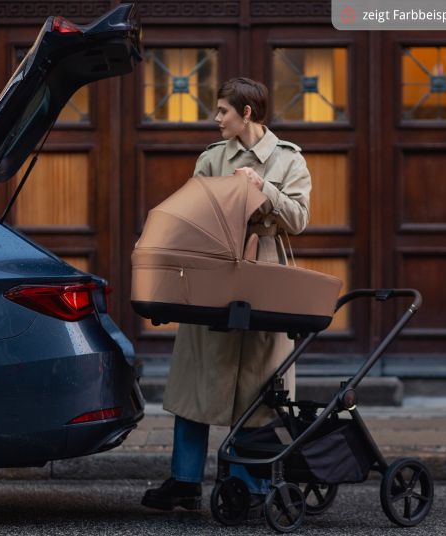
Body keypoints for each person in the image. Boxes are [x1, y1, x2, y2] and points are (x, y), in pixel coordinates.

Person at [141, 77, 312, 512]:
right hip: (213, 272)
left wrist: (263, 189)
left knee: (259, 385)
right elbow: (191, 211)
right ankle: (184, 481)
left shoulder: (289, 159)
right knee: (197, 376)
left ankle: (247, 483)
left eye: (222, 111)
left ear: (246, 114)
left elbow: (299, 218)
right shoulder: (212, 158)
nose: (215, 119)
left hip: (264, 275)